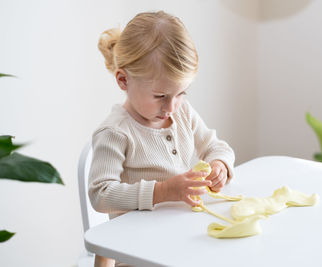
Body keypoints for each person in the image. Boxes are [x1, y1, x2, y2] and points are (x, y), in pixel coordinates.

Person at [88, 10, 235, 267]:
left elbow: (215, 146)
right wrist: (163, 191)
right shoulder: (115, 133)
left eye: (181, 93)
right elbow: (101, 195)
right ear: (123, 80)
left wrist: (219, 165)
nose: (171, 106)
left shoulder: (183, 112)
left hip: (180, 240)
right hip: (136, 252)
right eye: (160, 96)